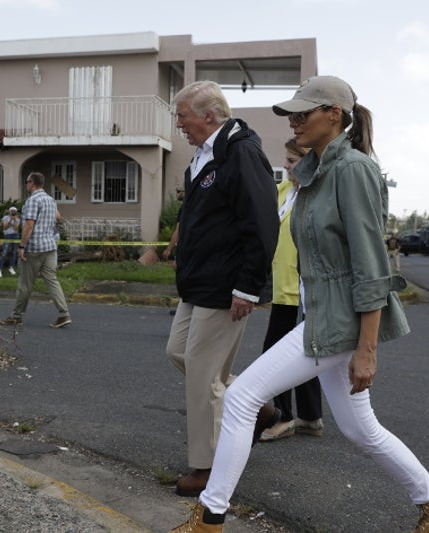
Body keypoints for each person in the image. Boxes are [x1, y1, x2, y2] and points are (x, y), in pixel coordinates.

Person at [172, 76, 429, 533]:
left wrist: (367, 348)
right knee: (360, 430)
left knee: (241, 398)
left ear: (335, 114)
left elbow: (370, 268)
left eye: (303, 113)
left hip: (338, 321)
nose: (294, 121)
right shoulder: (315, 172)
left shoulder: (352, 170)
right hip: (321, 317)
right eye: (291, 113)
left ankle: (210, 519)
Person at [165, 80, 280, 498]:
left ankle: (209, 467)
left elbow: (262, 222)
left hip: (227, 284)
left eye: (183, 116)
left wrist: (248, 287)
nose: (179, 124)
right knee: (179, 353)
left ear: (209, 116)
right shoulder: (203, 156)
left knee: (201, 374)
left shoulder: (241, 152)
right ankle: (256, 407)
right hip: (199, 283)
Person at [258, 139, 323, 443]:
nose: (285, 165)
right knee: (299, 354)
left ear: (310, 163)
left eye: (292, 161)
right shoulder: (285, 191)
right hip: (282, 289)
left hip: (304, 290)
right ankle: (310, 417)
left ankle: (284, 417)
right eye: (286, 159)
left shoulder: (315, 195)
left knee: (278, 355)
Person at [0, 172, 72, 328]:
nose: (26, 184)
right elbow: (58, 217)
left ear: (32, 183)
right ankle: (64, 314)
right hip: (50, 246)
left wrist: (22, 246)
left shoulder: (33, 200)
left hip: (34, 247)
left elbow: (29, 225)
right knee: (52, 280)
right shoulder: (51, 200)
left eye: (27, 181)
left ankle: (16, 316)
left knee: (25, 283)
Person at [162, 186, 185, 263]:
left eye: (178, 191)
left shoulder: (184, 208)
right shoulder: (195, 205)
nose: (176, 194)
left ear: (185, 192)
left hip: (187, 247)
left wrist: (168, 249)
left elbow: (178, 230)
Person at [0, 206, 20, 277]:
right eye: (12, 211)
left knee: (14, 252)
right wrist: (10, 220)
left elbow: (16, 229)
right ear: (9, 211)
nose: (13, 212)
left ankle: (11, 267)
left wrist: (15, 220)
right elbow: (5, 227)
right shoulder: (5, 218)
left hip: (15, 235)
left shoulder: (18, 219)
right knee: (5, 252)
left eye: (14, 211)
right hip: (7, 235)